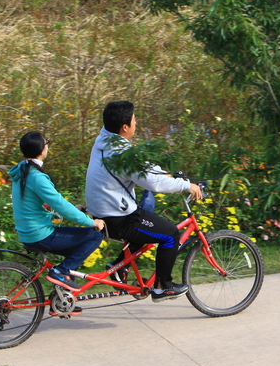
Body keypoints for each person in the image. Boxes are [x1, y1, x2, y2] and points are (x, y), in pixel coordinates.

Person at [85, 100, 202, 300]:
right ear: (124, 127)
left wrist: (166, 174)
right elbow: (151, 183)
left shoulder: (104, 140)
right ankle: (162, 286)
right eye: (134, 120)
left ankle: (118, 266)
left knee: (148, 219)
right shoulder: (122, 153)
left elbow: (141, 165)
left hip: (102, 212)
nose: (136, 124)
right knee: (170, 234)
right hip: (117, 219)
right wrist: (185, 185)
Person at [9, 131, 106, 302]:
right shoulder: (36, 177)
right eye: (47, 143)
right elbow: (60, 203)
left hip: (28, 233)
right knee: (94, 236)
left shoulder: (23, 172)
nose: (47, 146)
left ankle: (64, 301)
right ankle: (60, 272)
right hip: (41, 234)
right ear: (41, 149)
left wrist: (66, 212)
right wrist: (91, 222)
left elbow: (41, 207)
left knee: (72, 259)